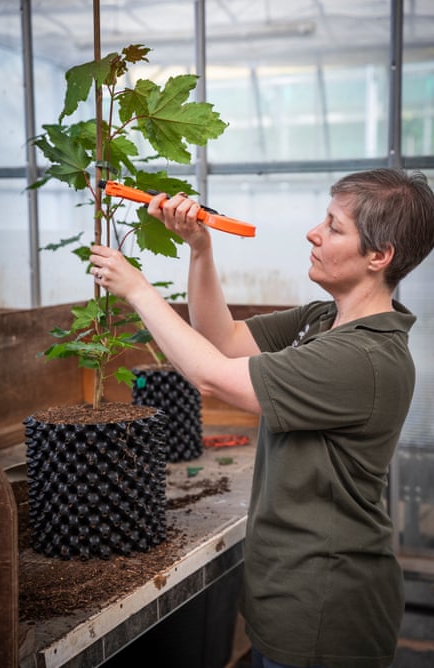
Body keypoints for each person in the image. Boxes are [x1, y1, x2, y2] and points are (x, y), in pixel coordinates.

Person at [90, 168, 434, 668]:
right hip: (290, 593)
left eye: (335, 227)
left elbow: (212, 377)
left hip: (324, 612)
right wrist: (200, 249)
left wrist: (139, 291)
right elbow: (222, 340)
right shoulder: (323, 320)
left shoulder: (363, 358)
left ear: (379, 257)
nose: (314, 233)